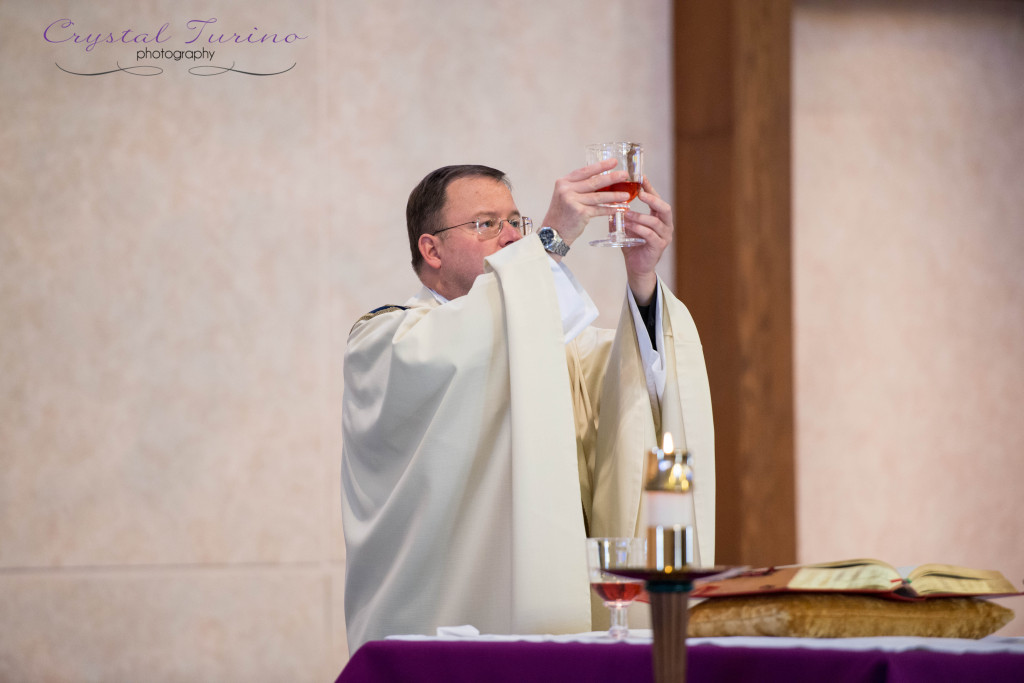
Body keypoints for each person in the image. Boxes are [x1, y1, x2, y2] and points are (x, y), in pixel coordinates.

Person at [340, 160, 715, 652]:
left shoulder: (553, 349)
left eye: (515, 222)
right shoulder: (388, 341)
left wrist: (642, 282)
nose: (513, 237)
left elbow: (637, 383)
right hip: (439, 620)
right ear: (430, 248)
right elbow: (464, 349)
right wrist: (552, 241)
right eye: (485, 224)